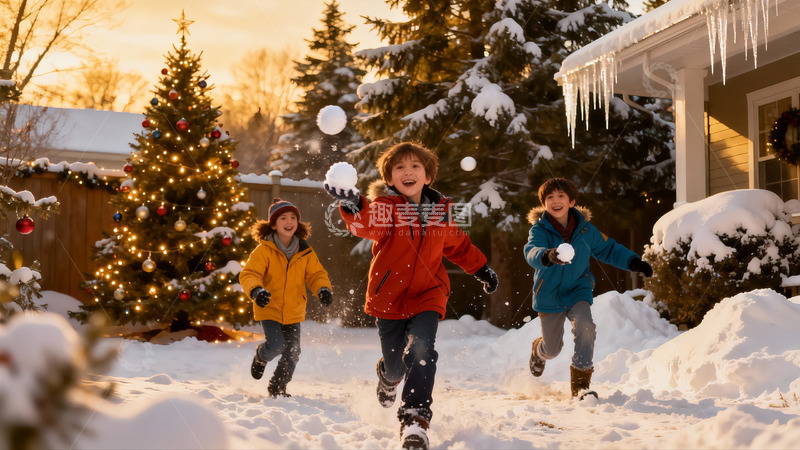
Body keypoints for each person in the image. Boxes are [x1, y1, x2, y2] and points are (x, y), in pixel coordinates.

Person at [324, 142, 498, 450]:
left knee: (421, 350)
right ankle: (387, 375)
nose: (408, 172)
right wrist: (353, 205)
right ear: (390, 179)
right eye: (400, 167)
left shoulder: (441, 212)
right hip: (388, 299)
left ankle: (414, 419)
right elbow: (366, 224)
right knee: (396, 368)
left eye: (416, 166)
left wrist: (482, 268)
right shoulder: (386, 209)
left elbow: (458, 246)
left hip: (428, 296)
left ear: (428, 176)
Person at [523, 177, 652, 399]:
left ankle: (580, 387)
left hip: (577, 291)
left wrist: (634, 262)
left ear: (572, 201)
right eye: (549, 197)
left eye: (561, 196)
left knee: (586, 328)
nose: (555, 201)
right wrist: (547, 255)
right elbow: (531, 251)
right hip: (548, 294)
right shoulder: (540, 230)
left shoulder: (585, 230)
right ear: (544, 203)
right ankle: (539, 350)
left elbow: (609, 249)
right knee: (552, 349)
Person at [240, 198, 333, 398]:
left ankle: (277, 387)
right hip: (270, 308)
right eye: (283, 218)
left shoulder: (305, 251)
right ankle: (260, 356)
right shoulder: (264, 250)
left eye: (293, 217)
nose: (289, 221)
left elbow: (316, 274)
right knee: (276, 345)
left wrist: (323, 289)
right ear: (273, 224)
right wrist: (256, 290)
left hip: (294, 310)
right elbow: (250, 274)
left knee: (293, 352)